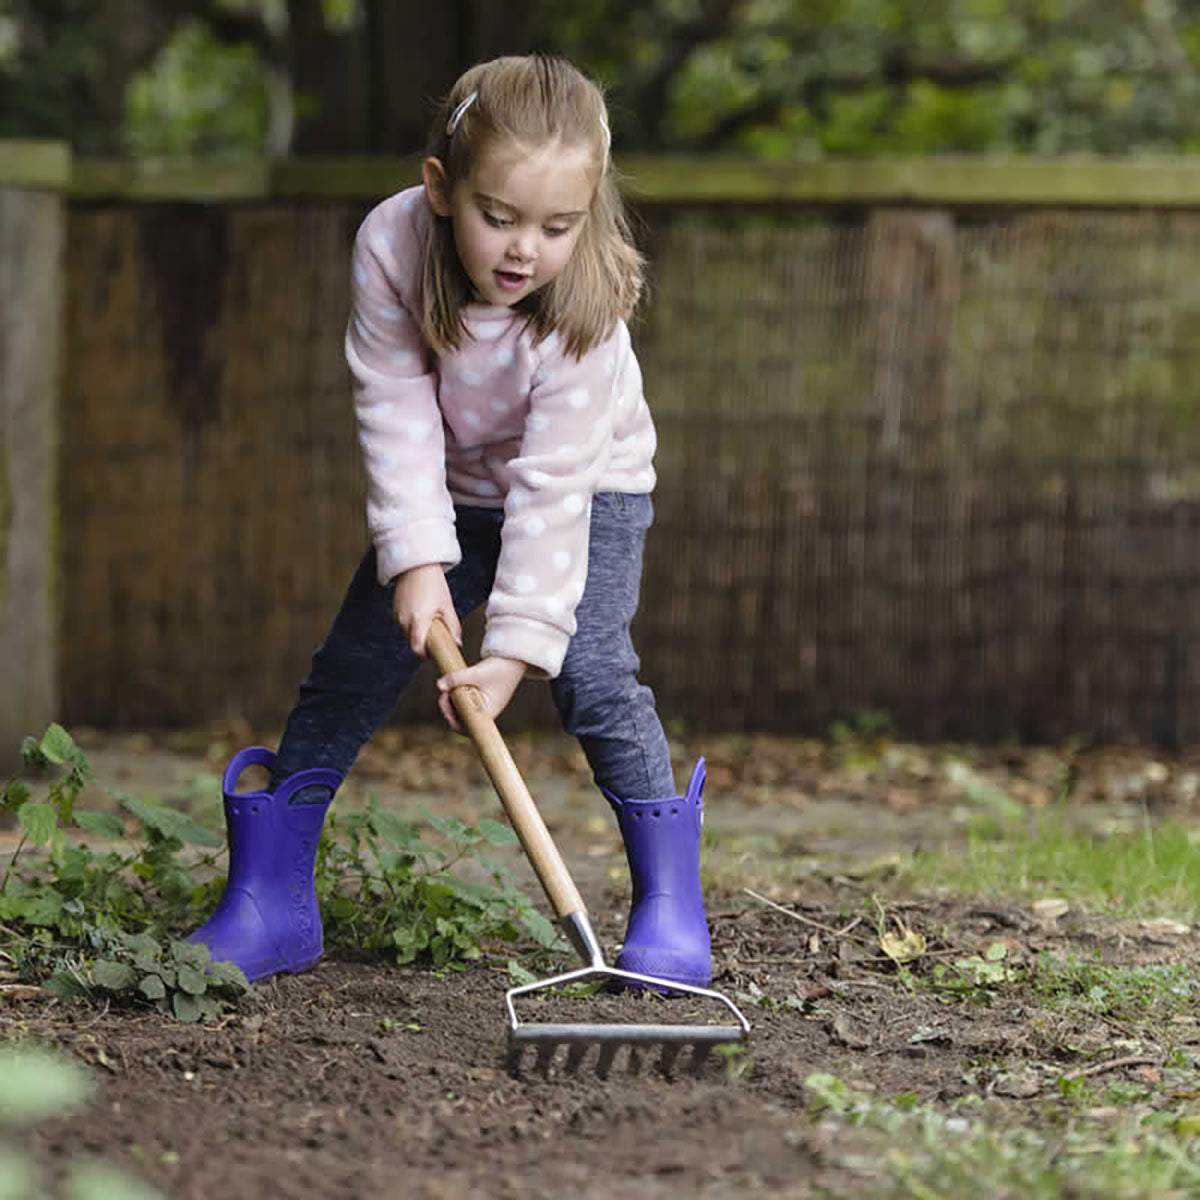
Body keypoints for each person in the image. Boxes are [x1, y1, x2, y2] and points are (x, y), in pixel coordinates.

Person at [187, 54, 712, 993]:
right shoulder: (393, 243)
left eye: (558, 226)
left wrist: (512, 648)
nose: (525, 251)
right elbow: (393, 404)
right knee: (350, 668)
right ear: (441, 187)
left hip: (588, 491)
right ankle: (271, 904)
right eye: (498, 217)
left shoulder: (590, 305)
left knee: (591, 669)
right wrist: (419, 560)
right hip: (447, 489)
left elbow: (554, 487)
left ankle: (669, 904)